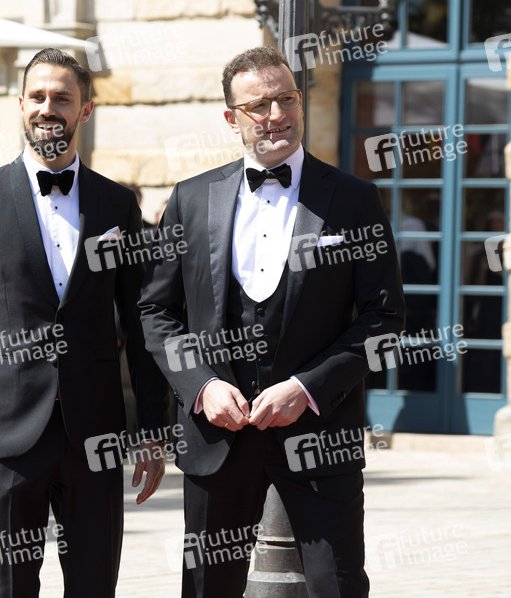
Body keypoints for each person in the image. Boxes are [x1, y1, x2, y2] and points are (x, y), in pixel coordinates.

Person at [139, 46, 406, 598]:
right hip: (216, 438)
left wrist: (307, 388)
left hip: (321, 437)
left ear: (300, 101)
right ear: (231, 117)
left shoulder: (355, 199)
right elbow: (156, 312)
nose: (276, 115)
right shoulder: (191, 199)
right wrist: (201, 385)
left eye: (286, 99)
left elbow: (385, 317)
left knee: (338, 586)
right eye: (258, 105)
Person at [0, 48, 168, 598]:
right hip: (5, 436)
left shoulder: (118, 204)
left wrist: (152, 431)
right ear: (20, 104)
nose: (48, 108)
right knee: (9, 589)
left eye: (62, 97)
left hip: (96, 433)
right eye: (37, 96)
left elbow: (142, 321)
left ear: (85, 109)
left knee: (94, 585)